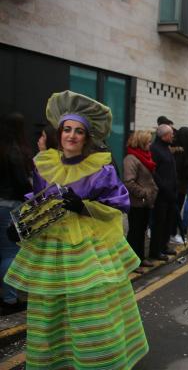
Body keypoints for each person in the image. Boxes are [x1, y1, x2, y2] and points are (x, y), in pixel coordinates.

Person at [4, 91, 148, 368]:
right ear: (59, 133)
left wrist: (82, 206)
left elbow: (117, 205)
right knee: (50, 308)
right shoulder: (43, 164)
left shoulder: (101, 168)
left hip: (87, 248)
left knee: (90, 307)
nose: (71, 136)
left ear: (86, 136)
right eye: (67, 129)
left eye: (78, 131)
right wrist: (20, 226)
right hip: (51, 247)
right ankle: (56, 360)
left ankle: (97, 361)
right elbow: (37, 203)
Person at [0, 113, 32, 316]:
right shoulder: (15, 151)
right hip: (11, 204)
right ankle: (10, 299)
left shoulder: (3, 149)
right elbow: (22, 183)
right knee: (11, 253)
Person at [123, 130, 159, 273]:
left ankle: (140, 257)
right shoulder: (131, 159)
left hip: (145, 203)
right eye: (148, 142)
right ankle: (131, 263)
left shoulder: (145, 156)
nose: (150, 144)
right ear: (142, 142)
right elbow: (128, 182)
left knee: (142, 231)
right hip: (136, 203)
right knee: (134, 232)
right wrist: (144, 193)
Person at [150, 124, 178, 260]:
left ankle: (164, 246)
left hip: (170, 193)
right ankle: (155, 250)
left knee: (168, 221)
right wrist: (164, 188)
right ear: (164, 136)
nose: (173, 136)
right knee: (159, 223)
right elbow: (154, 173)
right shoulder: (155, 149)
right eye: (171, 133)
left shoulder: (166, 148)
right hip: (161, 194)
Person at [172, 126, 188, 243]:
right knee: (175, 210)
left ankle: (173, 232)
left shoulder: (175, 149)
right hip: (179, 186)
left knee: (175, 209)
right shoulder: (181, 152)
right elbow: (183, 169)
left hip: (178, 185)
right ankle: (173, 233)